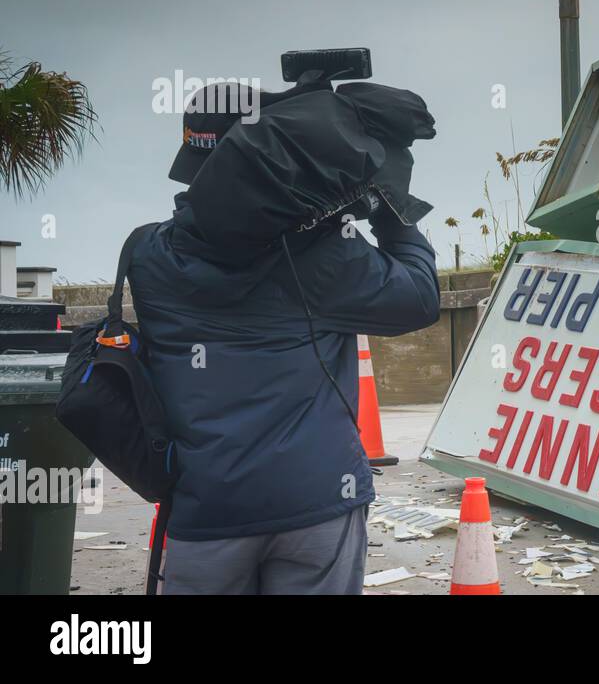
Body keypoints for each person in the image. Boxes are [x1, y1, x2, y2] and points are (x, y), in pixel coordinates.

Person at [129, 83, 441, 594]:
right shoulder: (322, 255)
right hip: (316, 501)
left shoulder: (146, 255)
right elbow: (420, 298)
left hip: (207, 511)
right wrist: (388, 209)